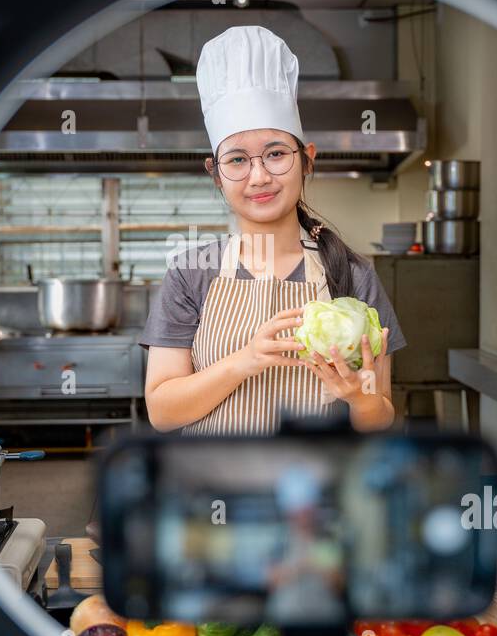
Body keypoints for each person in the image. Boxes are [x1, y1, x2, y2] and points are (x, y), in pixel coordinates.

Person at [138, 25, 407, 435]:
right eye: (238, 160)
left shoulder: (352, 274)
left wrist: (359, 398)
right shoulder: (191, 273)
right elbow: (161, 411)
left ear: (307, 159)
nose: (259, 176)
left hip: (316, 495)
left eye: (276, 154)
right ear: (216, 173)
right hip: (214, 491)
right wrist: (244, 360)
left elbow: (381, 416)